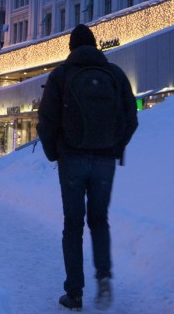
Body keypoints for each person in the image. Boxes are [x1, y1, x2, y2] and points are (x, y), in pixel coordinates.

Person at [36, 24, 138, 311]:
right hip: (105, 160)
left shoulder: (61, 75)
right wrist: (115, 146)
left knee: (73, 225)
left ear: (71, 48)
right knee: (99, 220)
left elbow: (46, 120)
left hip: (72, 159)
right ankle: (104, 277)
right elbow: (132, 117)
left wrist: (55, 152)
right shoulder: (115, 74)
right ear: (96, 46)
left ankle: (75, 292)